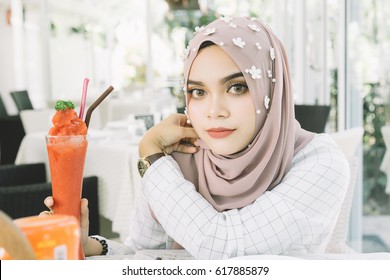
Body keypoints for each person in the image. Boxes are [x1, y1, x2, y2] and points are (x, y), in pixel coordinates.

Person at [43, 16, 349, 259]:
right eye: (198, 92)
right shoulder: (180, 158)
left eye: (237, 87)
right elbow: (146, 254)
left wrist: (151, 156)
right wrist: (88, 245)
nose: (213, 111)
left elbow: (226, 246)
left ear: (272, 90)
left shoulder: (319, 161)